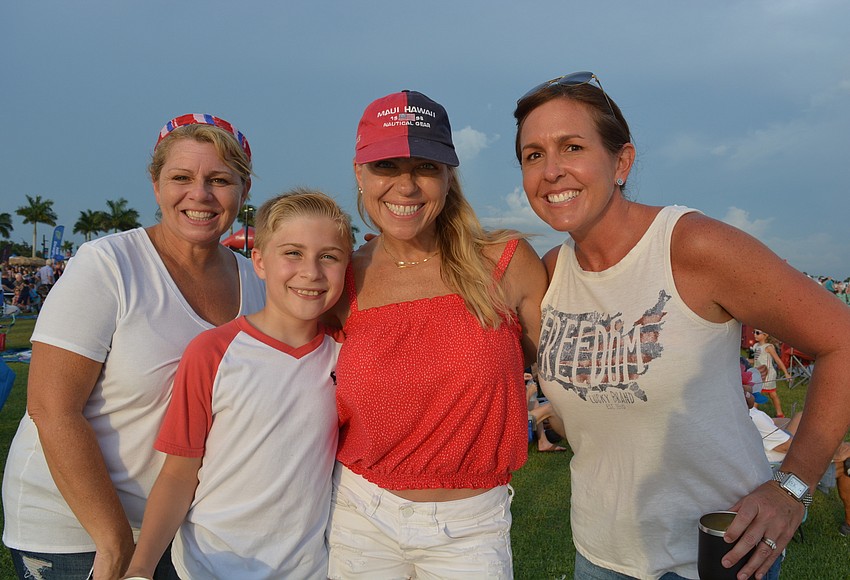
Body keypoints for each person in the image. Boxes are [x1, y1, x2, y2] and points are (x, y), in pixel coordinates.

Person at [513, 71, 850, 580]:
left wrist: (794, 487)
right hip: (599, 556)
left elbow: (841, 340)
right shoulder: (549, 275)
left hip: (719, 554)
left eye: (573, 146)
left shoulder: (690, 246)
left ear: (621, 161)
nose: (552, 170)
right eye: (533, 155)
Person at [2, 113, 265, 580]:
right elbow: (51, 407)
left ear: (244, 191)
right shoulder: (108, 266)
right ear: (155, 183)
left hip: (183, 533)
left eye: (219, 180)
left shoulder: (256, 280)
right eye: (181, 177)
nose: (199, 195)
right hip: (79, 535)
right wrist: (114, 539)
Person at [327, 90, 547, 579]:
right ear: (360, 174)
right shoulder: (342, 279)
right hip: (360, 513)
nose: (405, 186)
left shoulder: (505, 263)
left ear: (449, 176)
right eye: (385, 166)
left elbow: (564, 375)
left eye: (425, 167)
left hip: (471, 526)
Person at [122, 190, 351, 580]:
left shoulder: (346, 353)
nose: (311, 271)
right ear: (259, 262)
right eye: (292, 253)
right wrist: (141, 568)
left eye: (328, 256)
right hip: (209, 566)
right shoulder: (213, 352)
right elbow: (179, 474)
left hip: (308, 568)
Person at [742, 385, 850, 537]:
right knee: (847, 461)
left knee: (801, 416)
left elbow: (772, 426)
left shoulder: (739, 412)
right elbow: (789, 447)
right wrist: (833, 451)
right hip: (779, 467)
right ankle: (849, 523)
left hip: (765, 457)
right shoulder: (755, 416)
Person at [751, 329, 790, 417]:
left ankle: (752, 413)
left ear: (766, 335)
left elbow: (777, 360)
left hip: (768, 373)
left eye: (757, 333)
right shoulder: (756, 346)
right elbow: (756, 360)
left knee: (761, 392)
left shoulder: (768, 347)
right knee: (771, 394)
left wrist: (786, 373)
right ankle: (779, 413)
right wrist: (745, 361)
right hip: (759, 373)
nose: (755, 335)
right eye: (754, 332)